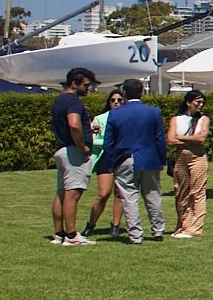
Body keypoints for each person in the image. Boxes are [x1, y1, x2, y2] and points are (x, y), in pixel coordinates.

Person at [106, 78, 168, 244]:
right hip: (149, 158)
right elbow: (160, 139)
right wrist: (162, 159)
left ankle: (135, 235)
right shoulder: (153, 112)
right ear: (142, 91)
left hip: (125, 159)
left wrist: (111, 163)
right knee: (153, 195)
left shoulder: (115, 114)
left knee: (129, 198)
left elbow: (109, 142)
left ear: (124, 93)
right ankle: (158, 230)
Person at [50, 67, 98, 246]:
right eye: (86, 85)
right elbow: (74, 124)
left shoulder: (59, 100)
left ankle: (58, 233)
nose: (88, 89)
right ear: (74, 84)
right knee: (73, 194)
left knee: (62, 193)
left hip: (62, 150)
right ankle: (71, 236)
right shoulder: (74, 102)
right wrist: (83, 146)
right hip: (73, 152)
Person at [81, 88, 127, 240]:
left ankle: (115, 225)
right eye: (113, 100)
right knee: (103, 193)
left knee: (119, 192)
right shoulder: (100, 118)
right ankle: (91, 224)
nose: (116, 103)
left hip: (123, 157)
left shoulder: (128, 118)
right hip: (106, 156)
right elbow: (93, 140)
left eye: (119, 100)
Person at [166, 89, 211, 239]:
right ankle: (183, 225)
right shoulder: (176, 119)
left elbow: (201, 139)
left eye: (202, 102)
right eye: (198, 102)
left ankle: (195, 228)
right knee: (181, 192)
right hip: (181, 157)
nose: (200, 105)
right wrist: (189, 138)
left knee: (197, 192)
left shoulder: (203, 119)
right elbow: (170, 140)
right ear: (188, 102)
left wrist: (181, 138)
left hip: (198, 157)